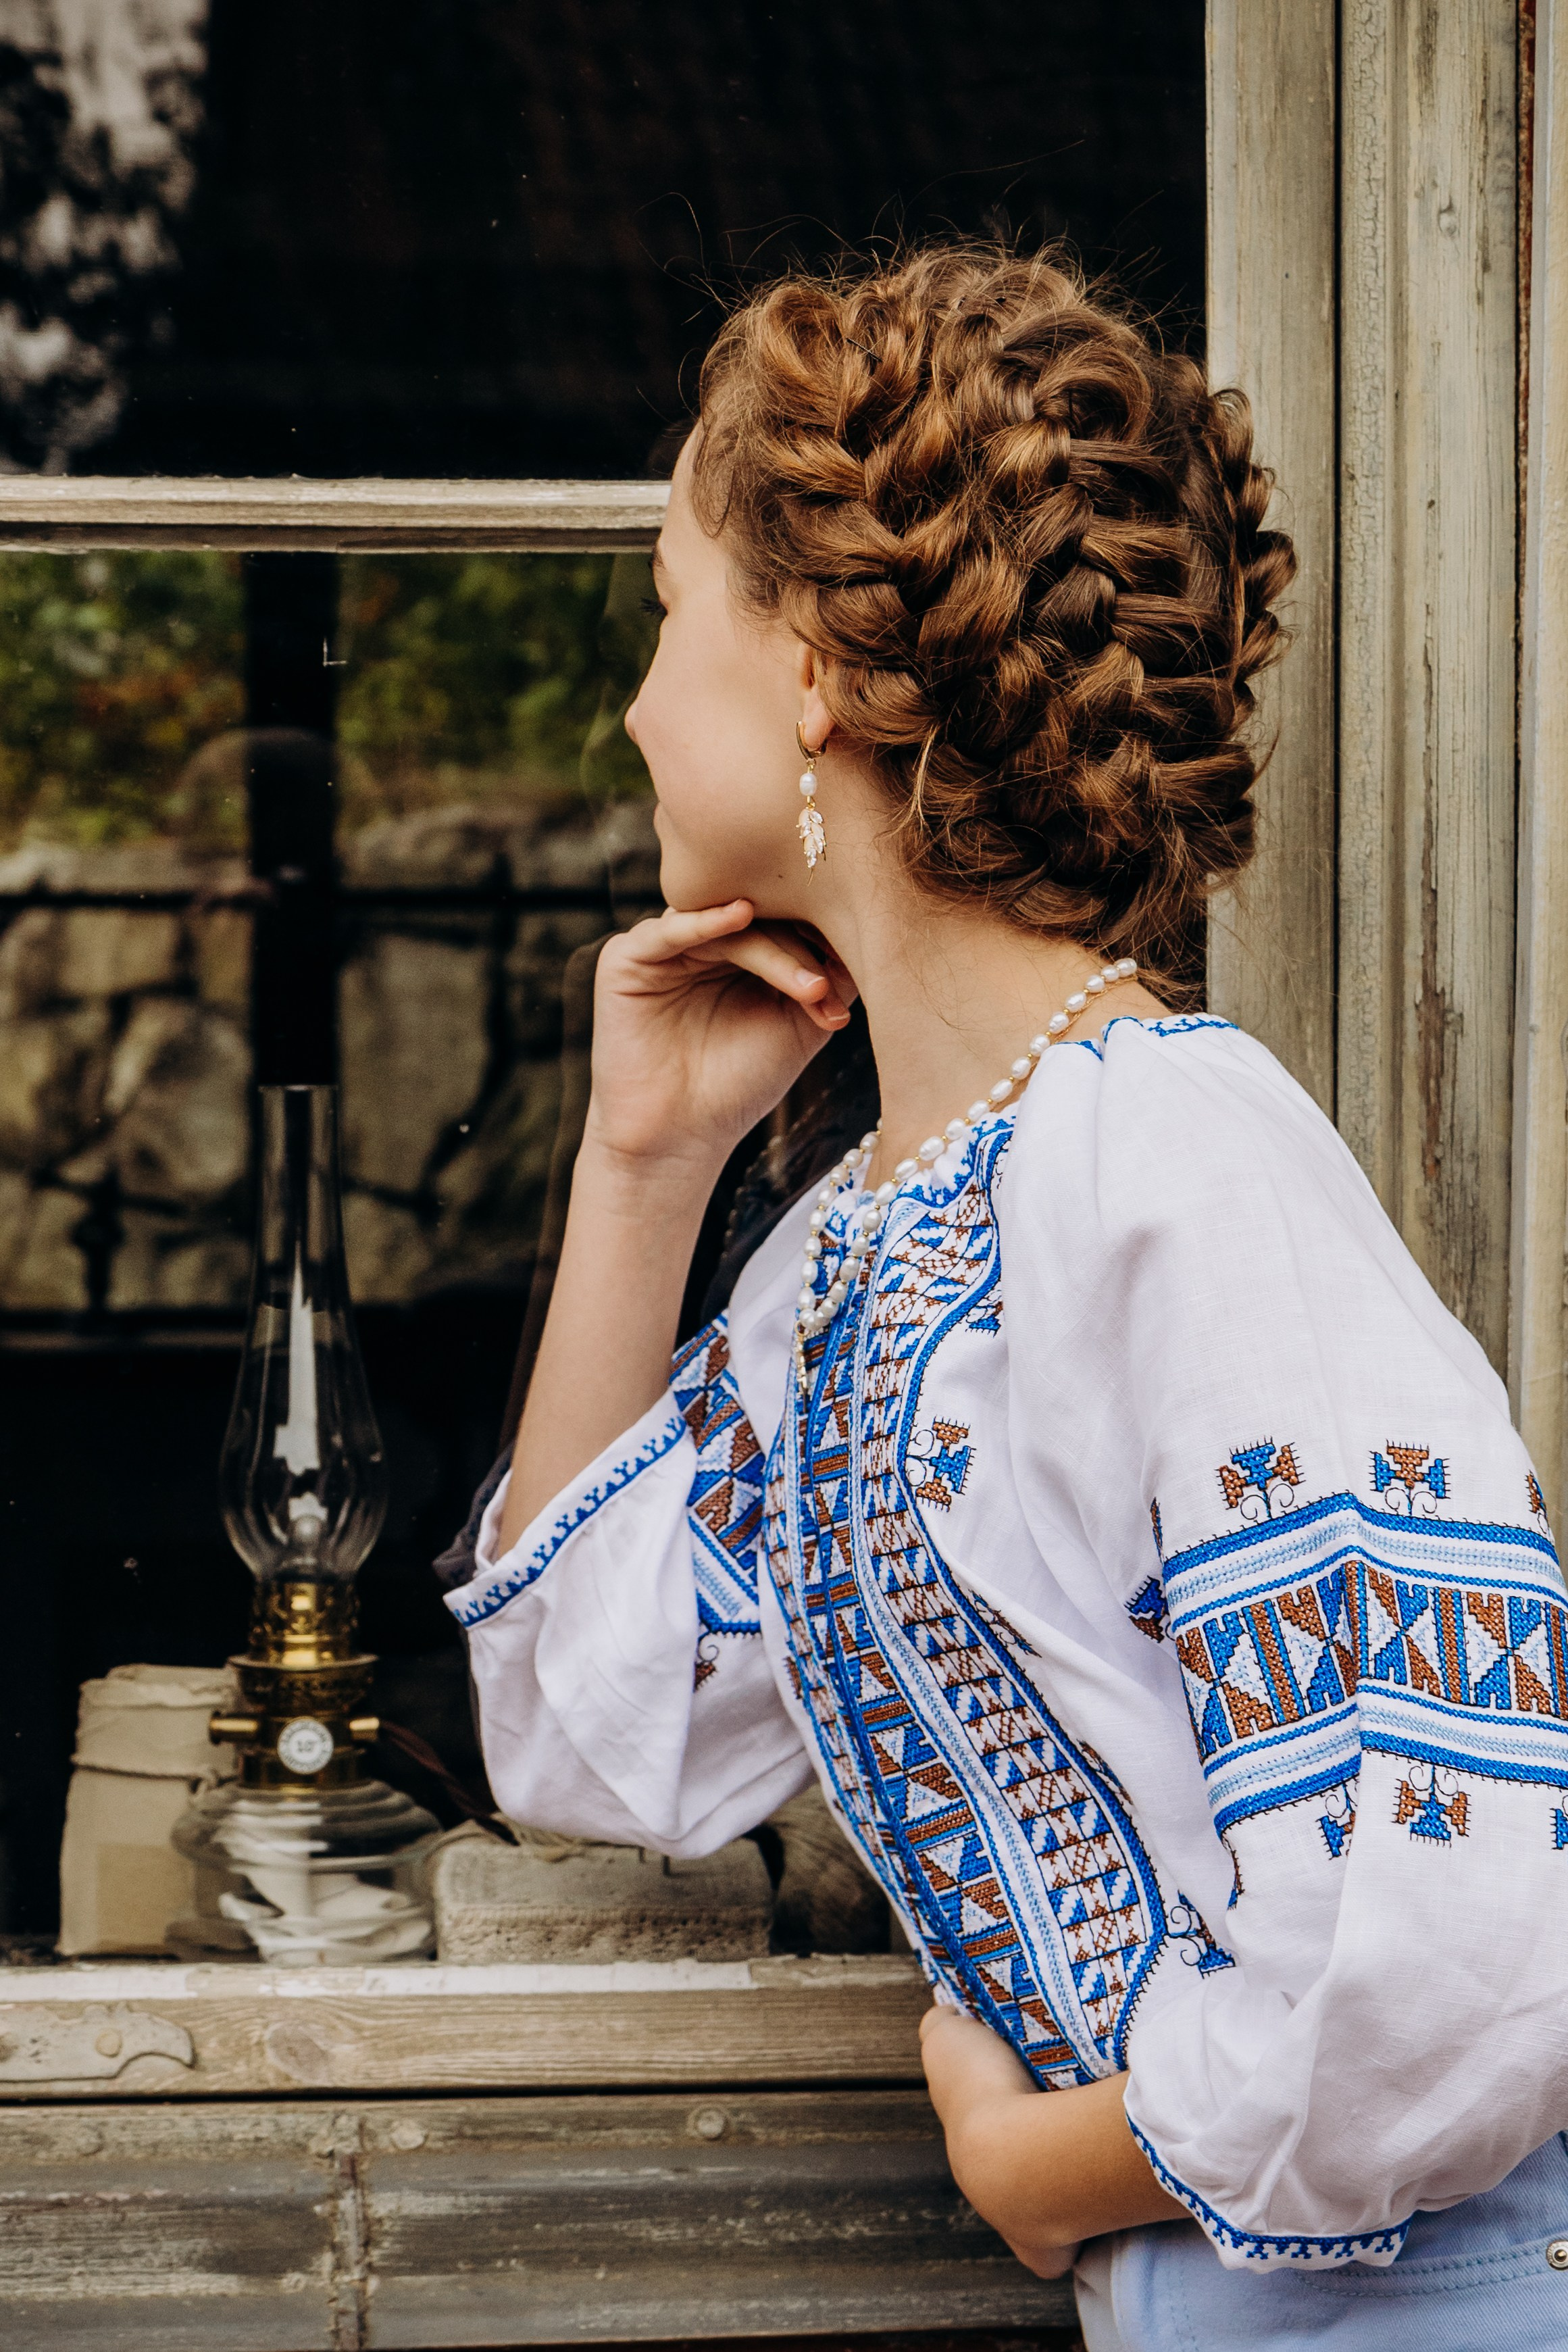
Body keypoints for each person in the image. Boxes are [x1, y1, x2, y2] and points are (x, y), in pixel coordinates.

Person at [436, 245, 1568, 2347]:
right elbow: (598, 1733)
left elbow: (1447, 1940)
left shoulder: (1181, 1164)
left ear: (807, 671)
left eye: (665, 616)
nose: (624, 700)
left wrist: (1033, 2161)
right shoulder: (863, 1246)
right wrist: (643, 1163)